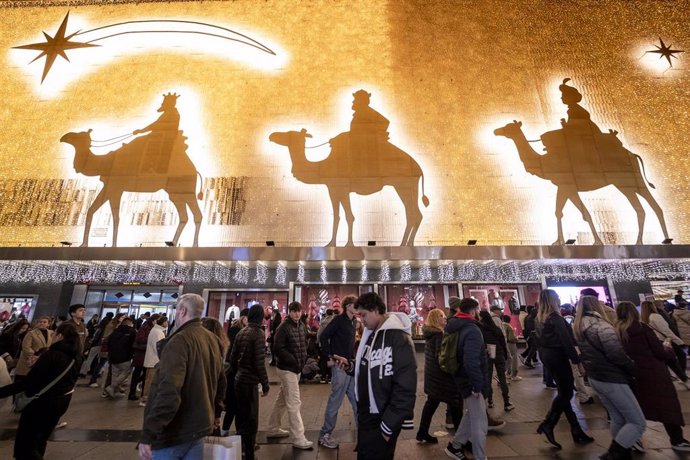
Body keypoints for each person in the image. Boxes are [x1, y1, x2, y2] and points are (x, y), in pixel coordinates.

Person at [139, 294, 225, 460]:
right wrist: (216, 412)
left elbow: (169, 390)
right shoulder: (213, 339)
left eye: (177, 309)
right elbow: (221, 382)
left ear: (182, 311)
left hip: (174, 432)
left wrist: (150, 432)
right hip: (199, 426)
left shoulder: (178, 341)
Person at [344, 292, 416, 460]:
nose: (361, 320)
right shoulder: (372, 335)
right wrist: (351, 366)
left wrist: (388, 425)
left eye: (363, 315)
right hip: (368, 415)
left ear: (375, 310)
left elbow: (406, 386)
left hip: (382, 418)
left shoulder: (398, 338)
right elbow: (370, 367)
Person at [573, 295, 645, 459]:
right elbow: (616, 353)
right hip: (611, 376)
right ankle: (615, 452)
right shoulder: (601, 326)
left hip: (596, 376)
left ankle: (621, 451)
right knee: (637, 421)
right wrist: (631, 366)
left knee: (617, 418)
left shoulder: (578, 327)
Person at [0, 322, 82, 460]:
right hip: (62, 401)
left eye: (54, 333)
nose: (52, 335)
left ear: (60, 336)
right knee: (41, 439)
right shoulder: (77, 357)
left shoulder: (52, 355)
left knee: (26, 445)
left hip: (41, 403)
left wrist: (2, 392)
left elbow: (29, 382)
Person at [615, 301, 690, 452]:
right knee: (668, 407)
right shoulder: (642, 328)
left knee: (638, 409)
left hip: (635, 373)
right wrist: (668, 349)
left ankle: (633, 438)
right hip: (655, 373)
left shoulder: (617, 330)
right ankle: (677, 440)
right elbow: (659, 352)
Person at [534, 289, 593, 449]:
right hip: (558, 357)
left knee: (563, 393)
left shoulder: (539, 319)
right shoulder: (556, 319)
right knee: (566, 393)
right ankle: (548, 423)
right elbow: (567, 341)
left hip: (548, 357)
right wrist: (578, 361)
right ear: (554, 300)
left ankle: (576, 429)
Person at [444, 298, 488, 460]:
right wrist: (477, 386)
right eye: (478, 309)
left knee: (471, 414)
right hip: (470, 382)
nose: (480, 312)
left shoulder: (455, 326)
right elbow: (471, 361)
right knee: (480, 423)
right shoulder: (472, 330)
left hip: (460, 377)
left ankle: (455, 446)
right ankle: (480, 456)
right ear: (472, 311)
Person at [266, 301, 313, 449]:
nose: (297, 314)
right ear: (290, 312)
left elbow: (304, 342)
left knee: (282, 400)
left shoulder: (301, 325)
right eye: (294, 311)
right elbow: (278, 348)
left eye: (298, 311)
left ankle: (273, 428)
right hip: (287, 369)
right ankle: (298, 437)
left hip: (295, 368)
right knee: (294, 402)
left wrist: (302, 360)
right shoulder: (283, 327)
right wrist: (293, 361)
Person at [229, 304, 269, 460]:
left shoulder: (242, 332)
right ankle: (249, 453)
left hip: (239, 379)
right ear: (260, 316)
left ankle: (241, 448)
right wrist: (265, 384)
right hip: (250, 381)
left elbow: (232, 357)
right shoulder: (258, 333)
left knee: (241, 416)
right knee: (251, 419)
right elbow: (259, 363)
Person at [318, 295, 358, 449]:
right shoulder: (338, 321)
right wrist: (331, 356)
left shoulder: (353, 321)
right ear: (348, 306)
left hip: (349, 367)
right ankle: (325, 435)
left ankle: (364, 433)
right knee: (335, 401)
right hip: (339, 367)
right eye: (355, 305)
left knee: (357, 401)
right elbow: (323, 337)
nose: (357, 307)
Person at [416, 308, 461, 444]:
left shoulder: (432, 334)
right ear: (436, 319)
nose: (445, 318)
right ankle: (461, 439)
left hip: (433, 376)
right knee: (456, 403)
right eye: (441, 316)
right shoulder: (439, 335)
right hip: (441, 377)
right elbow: (441, 357)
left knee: (432, 403)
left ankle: (422, 433)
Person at [640, 300, 690, 388]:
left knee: (668, 362)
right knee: (674, 360)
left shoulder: (643, 318)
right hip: (665, 341)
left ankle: (679, 379)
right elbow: (666, 331)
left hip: (655, 342)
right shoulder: (656, 316)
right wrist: (679, 341)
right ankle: (685, 379)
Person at [477, 310, 513, 411]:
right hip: (499, 353)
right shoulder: (496, 329)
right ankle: (506, 402)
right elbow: (502, 342)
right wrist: (505, 355)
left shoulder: (480, 329)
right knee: (502, 378)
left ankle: (490, 401)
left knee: (488, 378)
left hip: (488, 353)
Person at [221, 309, 248, 435]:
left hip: (237, 371)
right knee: (233, 404)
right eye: (247, 318)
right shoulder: (236, 331)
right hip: (234, 371)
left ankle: (233, 431)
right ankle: (226, 430)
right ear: (243, 318)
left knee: (236, 406)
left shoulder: (243, 331)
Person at [129, 314, 160, 401]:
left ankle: (142, 393)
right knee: (138, 374)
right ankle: (132, 393)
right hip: (141, 354)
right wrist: (151, 339)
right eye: (157, 320)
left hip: (147, 354)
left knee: (145, 375)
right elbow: (140, 339)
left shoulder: (152, 328)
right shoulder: (145, 327)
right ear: (153, 320)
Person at [105, 316, 136, 398]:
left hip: (113, 356)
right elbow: (133, 345)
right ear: (130, 323)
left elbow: (108, 342)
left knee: (115, 374)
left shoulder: (115, 331)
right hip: (125, 357)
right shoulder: (132, 332)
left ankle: (113, 391)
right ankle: (111, 387)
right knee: (126, 372)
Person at [15, 316, 53, 382]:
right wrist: (35, 357)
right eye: (40, 322)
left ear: (48, 324)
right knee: (22, 381)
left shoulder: (51, 333)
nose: (42, 323)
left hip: (42, 360)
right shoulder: (31, 333)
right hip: (28, 361)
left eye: (44, 322)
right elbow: (25, 348)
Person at [141, 316, 168, 407]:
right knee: (150, 380)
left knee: (151, 380)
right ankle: (145, 399)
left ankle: (147, 398)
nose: (167, 324)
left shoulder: (157, 331)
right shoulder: (158, 332)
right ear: (163, 322)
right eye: (166, 322)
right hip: (154, 361)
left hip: (154, 360)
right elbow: (158, 347)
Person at [501, 315, 521, 381]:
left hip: (504, 344)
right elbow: (511, 338)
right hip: (511, 344)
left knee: (507, 359)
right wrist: (517, 339)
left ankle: (508, 373)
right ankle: (514, 375)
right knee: (514, 359)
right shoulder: (509, 326)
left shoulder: (501, 325)